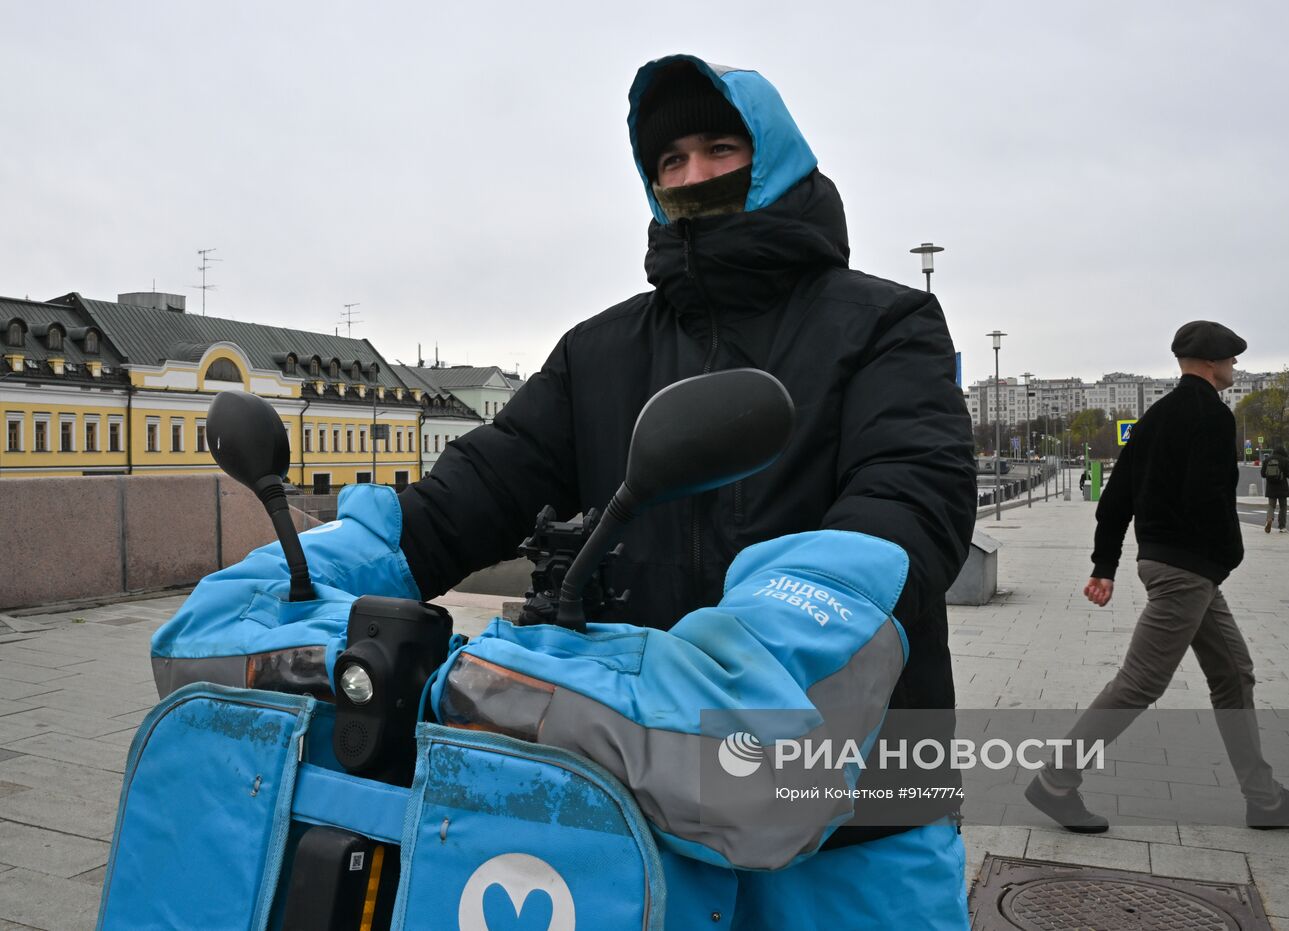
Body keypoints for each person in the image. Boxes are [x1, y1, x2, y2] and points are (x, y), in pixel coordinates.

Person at [160, 55, 977, 929]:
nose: (694, 174)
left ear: (773, 157)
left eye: (719, 148)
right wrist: (327, 565)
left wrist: (772, 637)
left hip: (854, 816)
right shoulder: (600, 352)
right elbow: (478, 483)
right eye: (670, 162)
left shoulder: (886, 323)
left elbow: (907, 499)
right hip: (636, 799)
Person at [1023, 321, 1289, 833]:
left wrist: (1106, 565)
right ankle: (1056, 780)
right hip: (1188, 569)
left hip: (1174, 566)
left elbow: (1116, 496)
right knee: (1140, 682)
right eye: (1231, 361)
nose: (1233, 369)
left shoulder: (1156, 415)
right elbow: (1209, 498)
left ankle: (1265, 798)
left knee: (1234, 673)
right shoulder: (1211, 416)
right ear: (1212, 363)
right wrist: (1222, 559)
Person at [1262, 446, 1289, 533]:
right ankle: (1282, 527)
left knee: (1271, 506)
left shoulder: (1267, 460)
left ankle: (1269, 520)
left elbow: (1263, 474)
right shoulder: (1285, 460)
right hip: (1282, 487)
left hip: (1271, 487)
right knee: (1283, 507)